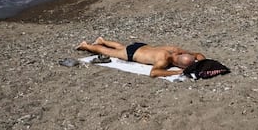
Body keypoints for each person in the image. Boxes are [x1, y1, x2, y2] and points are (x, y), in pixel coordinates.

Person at [77, 36, 206, 78]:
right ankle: (86, 46)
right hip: (133, 54)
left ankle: (102, 40)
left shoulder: (175, 50)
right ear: (178, 65)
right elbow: (153, 73)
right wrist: (178, 72)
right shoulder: (163, 61)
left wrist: (203, 63)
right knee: (107, 52)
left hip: (141, 46)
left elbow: (198, 54)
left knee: (121, 47)